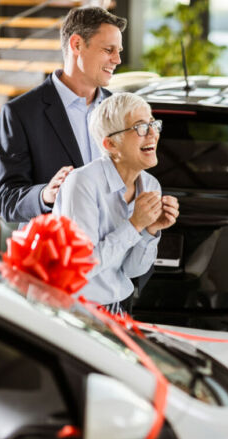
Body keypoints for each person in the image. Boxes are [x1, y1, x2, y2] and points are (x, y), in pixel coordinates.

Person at [0, 6, 126, 223]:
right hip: (55, 252)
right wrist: (46, 194)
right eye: (108, 50)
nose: (117, 59)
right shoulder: (20, 113)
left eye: (118, 51)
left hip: (114, 249)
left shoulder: (119, 109)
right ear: (77, 44)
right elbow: (5, 200)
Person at [53, 93, 178, 314]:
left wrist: (150, 230)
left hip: (117, 309)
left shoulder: (150, 185)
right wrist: (134, 225)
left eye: (153, 124)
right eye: (140, 127)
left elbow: (132, 270)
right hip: (75, 312)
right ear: (110, 144)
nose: (152, 133)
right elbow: (81, 267)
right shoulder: (82, 183)